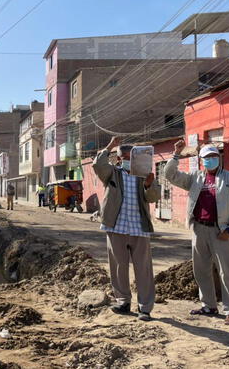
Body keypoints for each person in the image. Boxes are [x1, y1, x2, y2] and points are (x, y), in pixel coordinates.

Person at [165, 141, 229, 325]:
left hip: (221, 231)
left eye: (213, 157)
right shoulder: (195, 178)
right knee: (201, 269)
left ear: (218, 158)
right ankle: (209, 305)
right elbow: (170, 175)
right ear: (201, 161)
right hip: (199, 229)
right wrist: (176, 154)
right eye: (207, 158)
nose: (210, 160)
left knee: (227, 272)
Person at [93, 136, 161, 321]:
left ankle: (145, 308)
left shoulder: (143, 175)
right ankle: (123, 301)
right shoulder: (112, 173)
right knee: (118, 267)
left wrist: (149, 185)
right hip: (117, 227)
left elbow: (154, 197)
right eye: (124, 157)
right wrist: (109, 146)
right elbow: (98, 165)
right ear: (118, 159)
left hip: (139, 227)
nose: (128, 160)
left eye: (131, 157)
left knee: (143, 269)